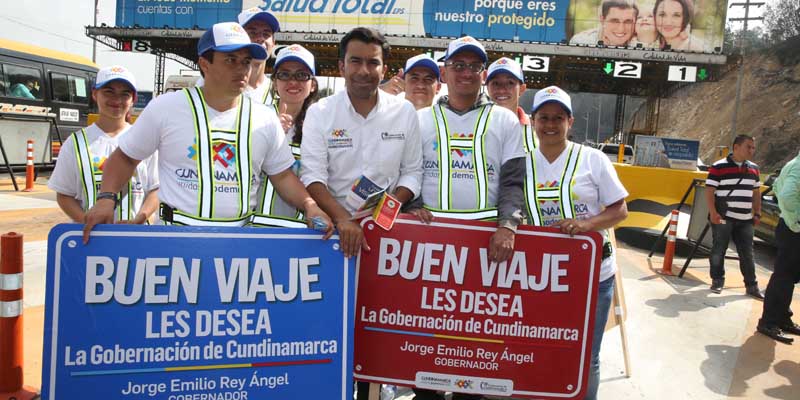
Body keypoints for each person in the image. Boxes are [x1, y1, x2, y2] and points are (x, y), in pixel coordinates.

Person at [81, 22, 332, 242]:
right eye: (230, 60)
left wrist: (310, 205)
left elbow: (283, 176)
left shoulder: (264, 117)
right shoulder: (167, 108)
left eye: (245, 61)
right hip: (177, 239)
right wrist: (106, 198)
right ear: (205, 64)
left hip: (240, 244)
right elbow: (125, 157)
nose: (242, 69)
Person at [298, 27, 422, 399]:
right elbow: (312, 176)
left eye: (373, 62)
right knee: (330, 327)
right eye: (356, 61)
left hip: (384, 236)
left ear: (384, 69)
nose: (364, 70)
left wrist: (386, 208)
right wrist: (344, 220)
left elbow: (412, 173)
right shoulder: (321, 111)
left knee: (375, 327)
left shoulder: (404, 113)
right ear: (341, 65)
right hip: (332, 237)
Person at [409, 36, 525, 400]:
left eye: (473, 66)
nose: (465, 72)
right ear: (444, 71)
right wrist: (411, 206)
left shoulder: (505, 121)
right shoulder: (419, 119)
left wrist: (508, 225)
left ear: (483, 73)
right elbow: (404, 174)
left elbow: (513, 182)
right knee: (426, 339)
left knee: (474, 343)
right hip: (429, 247)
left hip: (482, 247)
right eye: (457, 65)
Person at [498, 86, 628, 400]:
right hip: (539, 278)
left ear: (570, 121)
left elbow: (620, 209)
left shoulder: (592, 159)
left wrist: (587, 225)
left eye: (558, 117)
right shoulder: (521, 163)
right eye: (544, 117)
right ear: (533, 120)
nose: (551, 124)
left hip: (592, 278)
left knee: (584, 357)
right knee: (536, 348)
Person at [49, 66, 159, 224]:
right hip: (91, 240)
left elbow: (155, 189)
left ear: (133, 99)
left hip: (136, 238)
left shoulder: (145, 139)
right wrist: (89, 223)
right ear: (95, 94)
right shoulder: (75, 143)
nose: (116, 100)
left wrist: (139, 219)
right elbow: (64, 195)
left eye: (125, 94)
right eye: (109, 92)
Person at [251, 44, 319, 227]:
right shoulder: (253, 118)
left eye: (301, 75)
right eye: (284, 75)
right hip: (251, 230)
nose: (293, 82)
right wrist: (267, 134)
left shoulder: (320, 127)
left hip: (300, 234)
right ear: (274, 82)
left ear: (312, 85)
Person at [705, 134, 763, 299]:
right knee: (719, 249)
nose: (751, 150)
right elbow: (710, 191)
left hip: (745, 219)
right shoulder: (718, 167)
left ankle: (752, 286)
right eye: (748, 147)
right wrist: (713, 212)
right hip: (724, 217)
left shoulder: (754, 168)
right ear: (736, 147)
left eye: (753, 147)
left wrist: (757, 212)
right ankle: (717, 280)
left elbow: (756, 192)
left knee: (747, 253)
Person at [194, 7, 280, 104]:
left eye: (266, 33)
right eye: (252, 32)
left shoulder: (280, 90)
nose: (260, 38)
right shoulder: (210, 84)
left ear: (273, 43)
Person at [758, 151, 800, 344]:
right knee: (783, 276)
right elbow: (786, 195)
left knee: (789, 277)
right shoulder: (798, 167)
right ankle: (768, 322)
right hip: (793, 229)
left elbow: (776, 185)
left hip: (790, 227)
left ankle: (782, 317)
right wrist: (797, 219)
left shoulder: (793, 163)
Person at [485, 57, 536, 152]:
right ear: (487, 88)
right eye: (495, 83)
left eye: (510, 83)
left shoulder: (537, 130)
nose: (502, 90)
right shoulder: (474, 124)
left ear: (522, 89)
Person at [570, 0, 638, 46]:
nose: (621, 29)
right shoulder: (582, 42)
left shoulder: (640, 43)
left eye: (628, 22)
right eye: (614, 21)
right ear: (602, 20)